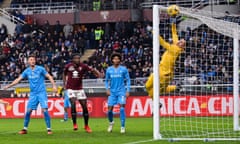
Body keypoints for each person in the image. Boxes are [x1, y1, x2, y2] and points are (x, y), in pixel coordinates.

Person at [3, 54, 57, 135]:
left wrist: (54, 86)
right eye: (31, 60)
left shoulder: (40, 69)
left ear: (35, 61)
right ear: (28, 61)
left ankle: (49, 129)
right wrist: (8, 86)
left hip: (41, 93)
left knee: (45, 110)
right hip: (33, 94)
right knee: (28, 111)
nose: (32, 61)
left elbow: (49, 76)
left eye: (33, 60)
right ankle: (24, 129)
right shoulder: (27, 71)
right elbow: (18, 80)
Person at [63, 53, 102, 133]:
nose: (77, 60)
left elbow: (91, 70)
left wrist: (97, 73)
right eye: (76, 58)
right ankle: (75, 124)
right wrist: (64, 84)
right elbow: (64, 73)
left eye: (78, 58)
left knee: (84, 106)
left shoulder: (83, 66)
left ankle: (86, 125)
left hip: (80, 89)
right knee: (73, 103)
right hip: (70, 89)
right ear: (73, 59)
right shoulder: (68, 66)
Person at [145, 23, 186, 98]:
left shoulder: (176, 49)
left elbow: (162, 42)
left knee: (159, 91)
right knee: (147, 86)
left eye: (182, 43)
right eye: (180, 40)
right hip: (159, 70)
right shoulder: (176, 45)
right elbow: (174, 33)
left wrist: (152, 31)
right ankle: (176, 87)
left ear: (182, 47)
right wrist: (173, 22)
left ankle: (174, 88)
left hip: (166, 74)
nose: (179, 41)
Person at [105, 53, 131, 134]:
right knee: (109, 111)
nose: (116, 60)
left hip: (121, 91)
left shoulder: (123, 69)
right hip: (112, 92)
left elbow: (128, 80)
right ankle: (111, 122)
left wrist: (128, 90)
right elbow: (106, 80)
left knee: (122, 108)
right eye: (115, 59)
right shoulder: (109, 69)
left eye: (118, 59)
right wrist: (107, 89)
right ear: (112, 60)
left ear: (120, 60)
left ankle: (122, 126)